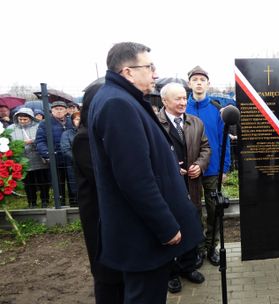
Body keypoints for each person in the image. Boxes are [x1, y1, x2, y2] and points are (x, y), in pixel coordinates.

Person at [87, 42, 203, 303]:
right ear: (128, 71)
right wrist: (166, 227)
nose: (154, 73)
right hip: (143, 236)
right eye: (149, 67)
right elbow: (134, 178)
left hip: (138, 231)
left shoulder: (119, 98)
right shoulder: (118, 104)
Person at [72, 83, 124, 303]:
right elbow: (103, 177)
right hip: (98, 216)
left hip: (112, 215)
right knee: (106, 273)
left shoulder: (101, 133)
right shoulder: (84, 138)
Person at [157, 82, 210, 293]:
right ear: (164, 101)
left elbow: (205, 147)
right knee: (170, 227)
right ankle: (171, 273)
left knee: (190, 224)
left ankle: (188, 266)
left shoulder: (195, 122)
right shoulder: (154, 124)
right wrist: (169, 168)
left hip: (192, 184)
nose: (183, 102)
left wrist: (200, 164)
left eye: (184, 98)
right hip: (167, 187)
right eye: (177, 98)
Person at [186, 65, 231, 267]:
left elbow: (224, 139)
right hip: (189, 170)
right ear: (189, 84)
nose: (198, 82)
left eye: (202, 79)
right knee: (192, 211)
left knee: (214, 209)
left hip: (212, 169)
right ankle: (196, 249)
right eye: (195, 79)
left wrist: (225, 167)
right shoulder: (182, 106)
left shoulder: (215, 108)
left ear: (208, 83)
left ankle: (211, 246)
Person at [7, 108, 50, 208]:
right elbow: (9, 142)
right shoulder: (11, 128)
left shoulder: (39, 126)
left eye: (25, 119)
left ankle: (45, 200)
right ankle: (32, 202)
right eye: (20, 119)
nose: (22, 121)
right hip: (22, 160)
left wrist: (33, 141)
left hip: (38, 158)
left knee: (42, 180)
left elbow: (44, 138)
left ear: (30, 118)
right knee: (28, 183)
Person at [35, 101, 74, 206]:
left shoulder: (72, 121)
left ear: (66, 110)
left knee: (73, 182)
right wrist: (47, 154)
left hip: (71, 158)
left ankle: (74, 203)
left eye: (61, 108)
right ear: (51, 111)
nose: (59, 111)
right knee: (58, 184)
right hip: (55, 158)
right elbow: (40, 141)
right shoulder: (45, 123)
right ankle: (60, 204)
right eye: (56, 109)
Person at [60, 112, 80, 206]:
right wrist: (79, 159)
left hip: (89, 163)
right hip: (73, 163)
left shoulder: (89, 131)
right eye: (76, 119)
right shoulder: (67, 134)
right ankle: (75, 203)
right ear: (72, 121)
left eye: (80, 118)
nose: (79, 121)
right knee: (74, 184)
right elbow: (65, 149)